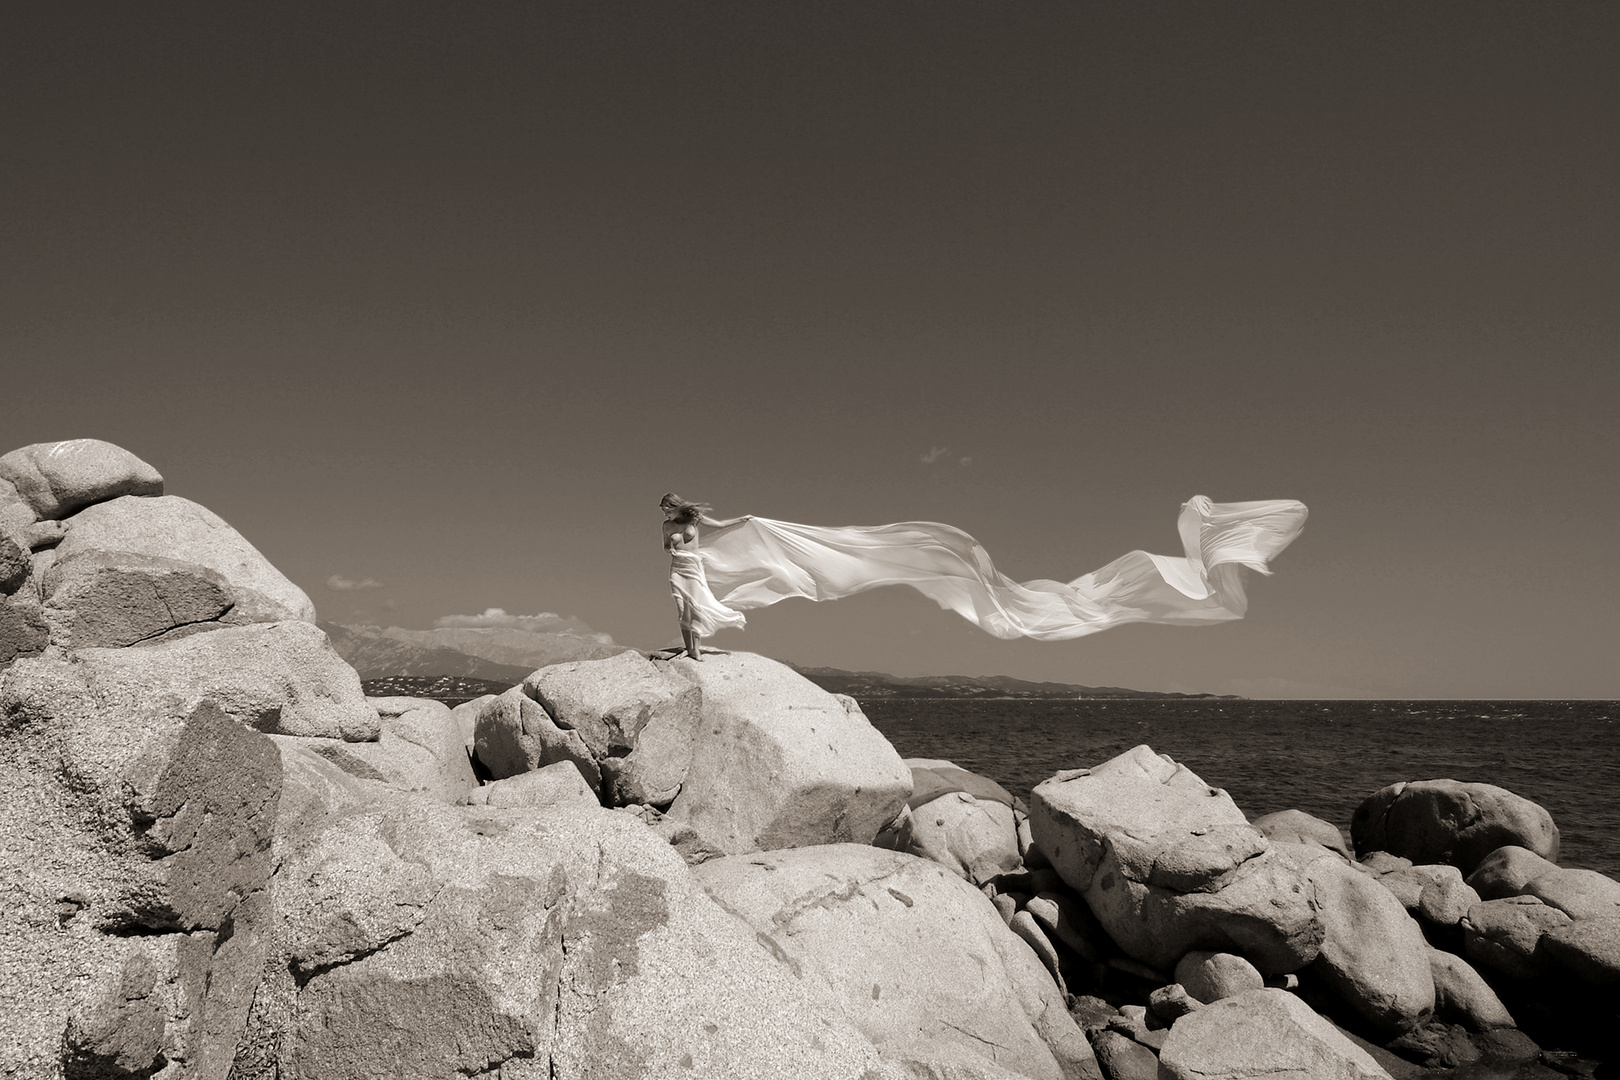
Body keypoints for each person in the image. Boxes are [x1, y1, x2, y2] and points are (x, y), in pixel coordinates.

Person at [659, 493, 748, 660]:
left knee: (695, 607)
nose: (665, 514)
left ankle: (696, 649)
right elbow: (665, 545)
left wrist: (742, 519)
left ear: (675, 507)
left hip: (693, 568)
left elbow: (719, 524)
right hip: (677, 568)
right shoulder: (666, 525)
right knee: (682, 610)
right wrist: (668, 549)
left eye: (666, 510)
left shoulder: (694, 519)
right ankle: (688, 648)